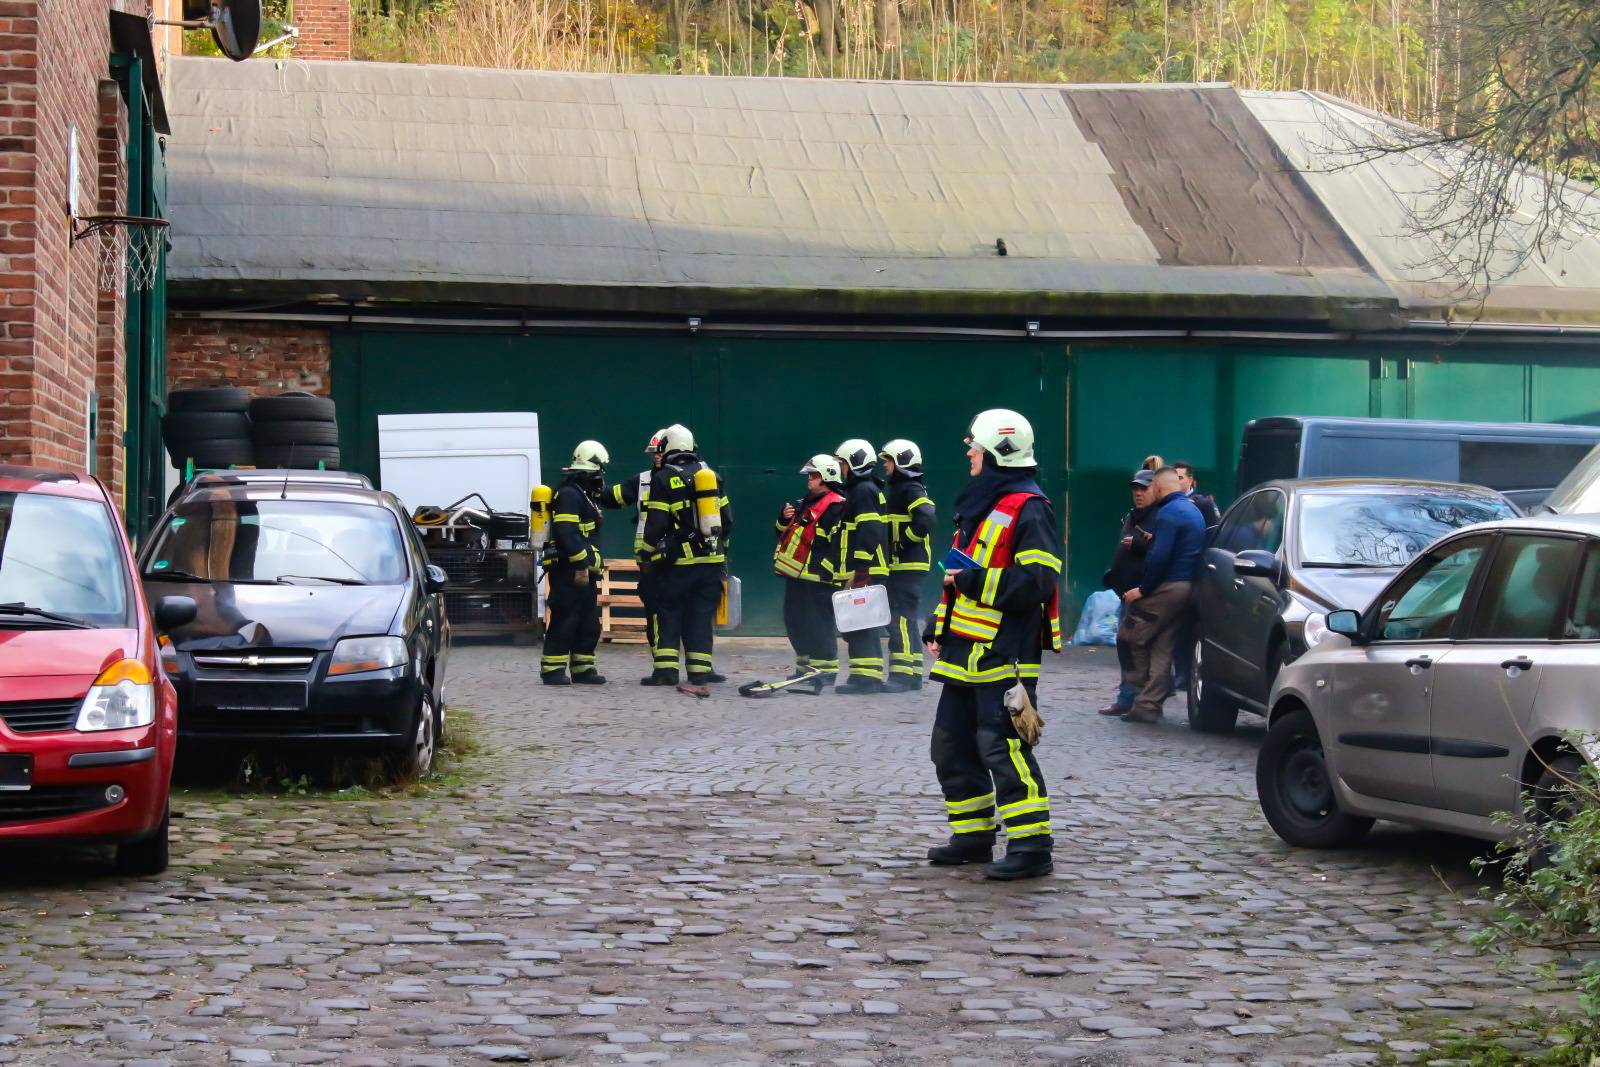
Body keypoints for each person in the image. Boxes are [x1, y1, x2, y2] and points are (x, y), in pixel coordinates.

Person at [923, 408, 1062, 881]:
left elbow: (1038, 581)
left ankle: (1031, 847)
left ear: (999, 451)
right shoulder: (984, 503)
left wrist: (976, 582)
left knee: (1003, 748)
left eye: (975, 447)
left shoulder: (1030, 506)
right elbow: (959, 573)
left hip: (1006, 655)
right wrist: (936, 625)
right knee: (951, 746)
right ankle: (973, 836)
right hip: (966, 653)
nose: (969, 453)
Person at [639, 424, 734, 687]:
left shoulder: (662, 478)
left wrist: (648, 556)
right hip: (711, 562)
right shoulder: (711, 476)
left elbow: (655, 525)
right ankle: (700, 671)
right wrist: (718, 550)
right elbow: (726, 521)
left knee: (669, 613)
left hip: (678, 564)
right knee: (701, 616)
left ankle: (666, 672)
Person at [1117, 467, 1205, 723]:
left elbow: (1160, 557)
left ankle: (1144, 694)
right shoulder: (1190, 509)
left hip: (1167, 587)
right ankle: (1148, 705)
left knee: (1129, 634)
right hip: (1185, 587)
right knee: (1162, 643)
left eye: (1151, 486)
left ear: (1158, 486)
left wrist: (1142, 590)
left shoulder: (1168, 513)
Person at [773, 454, 848, 690]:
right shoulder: (805, 502)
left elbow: (838, 544)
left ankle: (825, 672)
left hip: (820, 578)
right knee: (795, 622)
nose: (809, 479)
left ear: (827, 477)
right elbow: (785, 535)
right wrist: (782, 520)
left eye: (814, 475)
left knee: (819, 625)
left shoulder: (836, 506)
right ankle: (804, 670)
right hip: (797, 577)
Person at [541, 440, 610, 686]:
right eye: (600, 472)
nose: (601, 478)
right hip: (570, 571)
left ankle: (583, 669)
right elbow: (566, 533)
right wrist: (582, 563)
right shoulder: (569, 495)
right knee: (565, 619)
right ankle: (552, 670)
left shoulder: (583, 495)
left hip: (585, 572)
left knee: (588, 621)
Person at [602, 429, 667, 683]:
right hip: (650, 561)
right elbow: (613, 497)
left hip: (680, 560)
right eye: (654, 452)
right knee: (654, 612)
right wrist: (593, 482)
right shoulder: (642, 481)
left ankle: (702, 668)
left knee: (692, 613)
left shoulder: (694, 479)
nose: (658, 456)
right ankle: (662, 666)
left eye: (661, 450)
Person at [1098, 468, 1160, 716]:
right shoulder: (1134, 516)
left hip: (1144, 593)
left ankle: (1137, 700)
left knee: (1135, 645)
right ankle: (1130, 697)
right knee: (1126, 643)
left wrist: (1139, 544)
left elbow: (1161, 551)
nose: (1138, 493)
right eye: (1135, 488)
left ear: (1155, 489)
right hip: (1127, 591)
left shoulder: (1158, 517)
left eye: (1143, 488)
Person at [833, 438, 890, 694]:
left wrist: (862, 568)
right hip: (861, 568)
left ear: (853, 464)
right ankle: (860, 675)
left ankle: (868, 679)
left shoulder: (864, 490)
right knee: (856, 623)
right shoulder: (861, 489)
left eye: (843, 463)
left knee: (864, 624)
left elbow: (870, 529)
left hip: (866, 569)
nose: (841, 469)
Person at [880, 439, 935, 692]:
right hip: (907, 565)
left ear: (901, 462)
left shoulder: (909, 488)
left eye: (889, 461)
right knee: (907, 618)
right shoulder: (903, 487)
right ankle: (912, 674)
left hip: (906, 565)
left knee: (899, 617)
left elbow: (926, 516)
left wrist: (902, 543)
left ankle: (902, 676)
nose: (886, 466)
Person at [1173, 461, 1221, 527]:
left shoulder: (1203, 502)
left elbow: (1213, 529)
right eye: (1173, 478)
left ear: (1190, 480)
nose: (1176, 481)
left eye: (1180, 478)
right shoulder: (1166, 501)